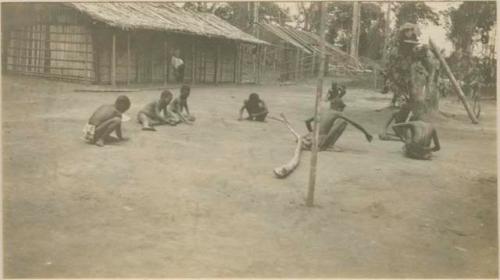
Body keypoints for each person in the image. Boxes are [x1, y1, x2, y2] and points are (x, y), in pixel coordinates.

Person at [303, 102, 373, 151]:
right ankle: (328, 146)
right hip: (320, 141)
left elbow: (307, 121)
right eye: (342, 108)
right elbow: (353, 123)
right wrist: (366, 133)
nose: (343, 110)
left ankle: (316, 141)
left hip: (312, 137)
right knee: (343, 122)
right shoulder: (337, 113)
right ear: (338, 107)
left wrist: (311, 132)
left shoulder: (323, 112)